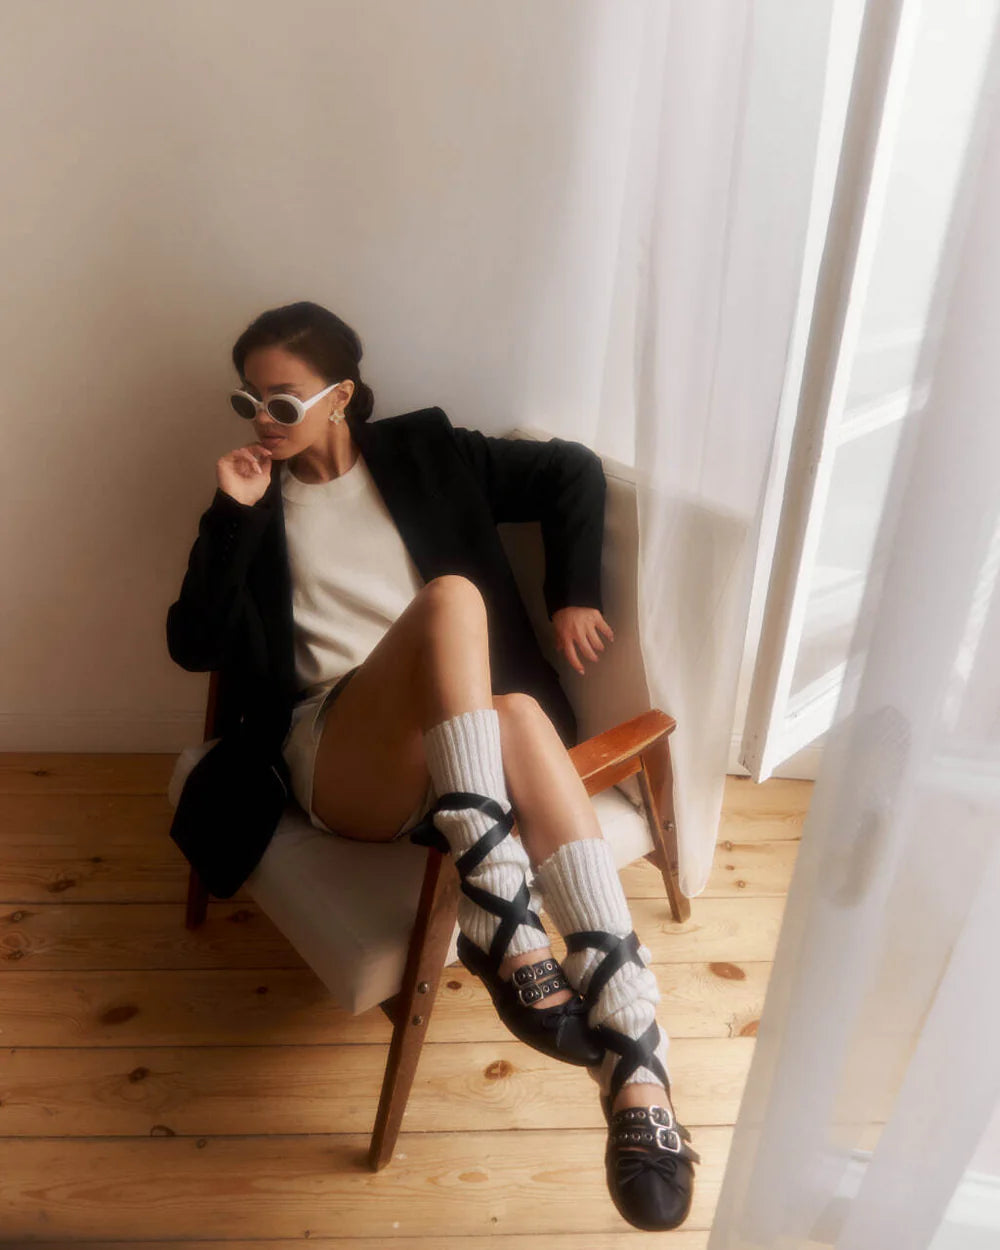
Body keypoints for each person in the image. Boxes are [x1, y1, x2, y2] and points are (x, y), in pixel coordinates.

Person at [166, 300, 700, 1231]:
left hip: (463, 756)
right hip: (339, 756)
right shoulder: (254, 506)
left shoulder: (425, 450)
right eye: (247, 400)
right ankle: (502, 911)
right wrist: (229, 514)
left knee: (517, 709)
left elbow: (570, 470)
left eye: (283, 401)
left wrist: (573, 592)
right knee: (452, 601)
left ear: (342, 396)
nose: (262, 420)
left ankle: (636, 1070)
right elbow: (193, 645)